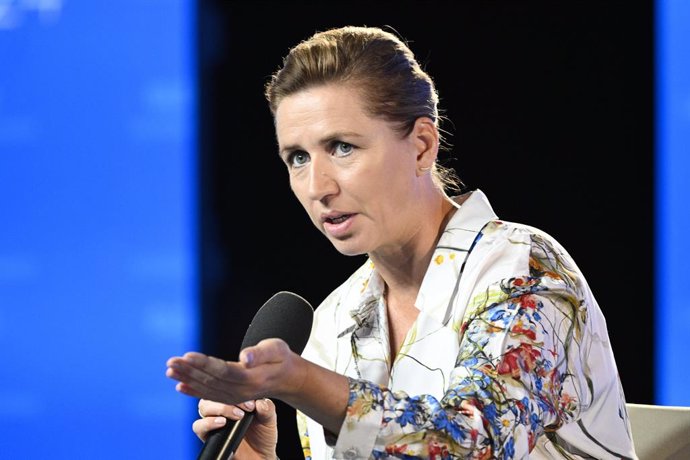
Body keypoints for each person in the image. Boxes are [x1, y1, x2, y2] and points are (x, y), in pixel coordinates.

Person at [166, 26, 637, 459]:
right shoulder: (333, 322)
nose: (317, 186)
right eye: (297, 157)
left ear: (422, 146)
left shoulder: (523, 269)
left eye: (342, 147)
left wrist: (305, 383)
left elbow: (474, 448)